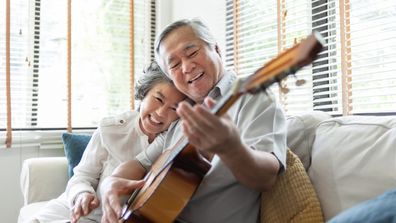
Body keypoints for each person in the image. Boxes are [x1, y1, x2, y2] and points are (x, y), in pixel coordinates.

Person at [100, 18, 287, 223]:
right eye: (174, 64)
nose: (187, 67)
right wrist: (111, 182)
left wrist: (231, 147)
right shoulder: (181, 115)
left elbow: (266, 178)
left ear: (216, 49)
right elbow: (140, 164)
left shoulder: (253, 96)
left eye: (192, 53)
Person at [27, 61, 186, 223]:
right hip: (71, 210)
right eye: (159, 99)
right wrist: (82, 194)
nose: (160, 113)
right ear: (144, 93)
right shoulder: (111, 128)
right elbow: (81, 177)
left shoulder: (173, 138)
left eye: (174, 108)